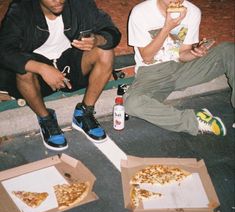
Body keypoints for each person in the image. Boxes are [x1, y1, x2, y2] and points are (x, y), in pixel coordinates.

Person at [0, 0, 121, 151]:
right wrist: (42, 68)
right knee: (23, 68)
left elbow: (112, 31)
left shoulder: (80, 4)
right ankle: (46, 119)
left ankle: (84, 113)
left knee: (105, 51)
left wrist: (97, 39)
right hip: (38, 74)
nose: (59, 1)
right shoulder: (21, 8)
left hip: (69, 64)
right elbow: (4, 51)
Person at [124, 0, 234, 136]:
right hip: (153, 73)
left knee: (228, 50)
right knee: (132, 104)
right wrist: (167, 27)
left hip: (182, 68)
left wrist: (195, 54)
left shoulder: (192, 11)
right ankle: (194, 121)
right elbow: (147, 57)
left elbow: (182, 55)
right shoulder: (141, 12)